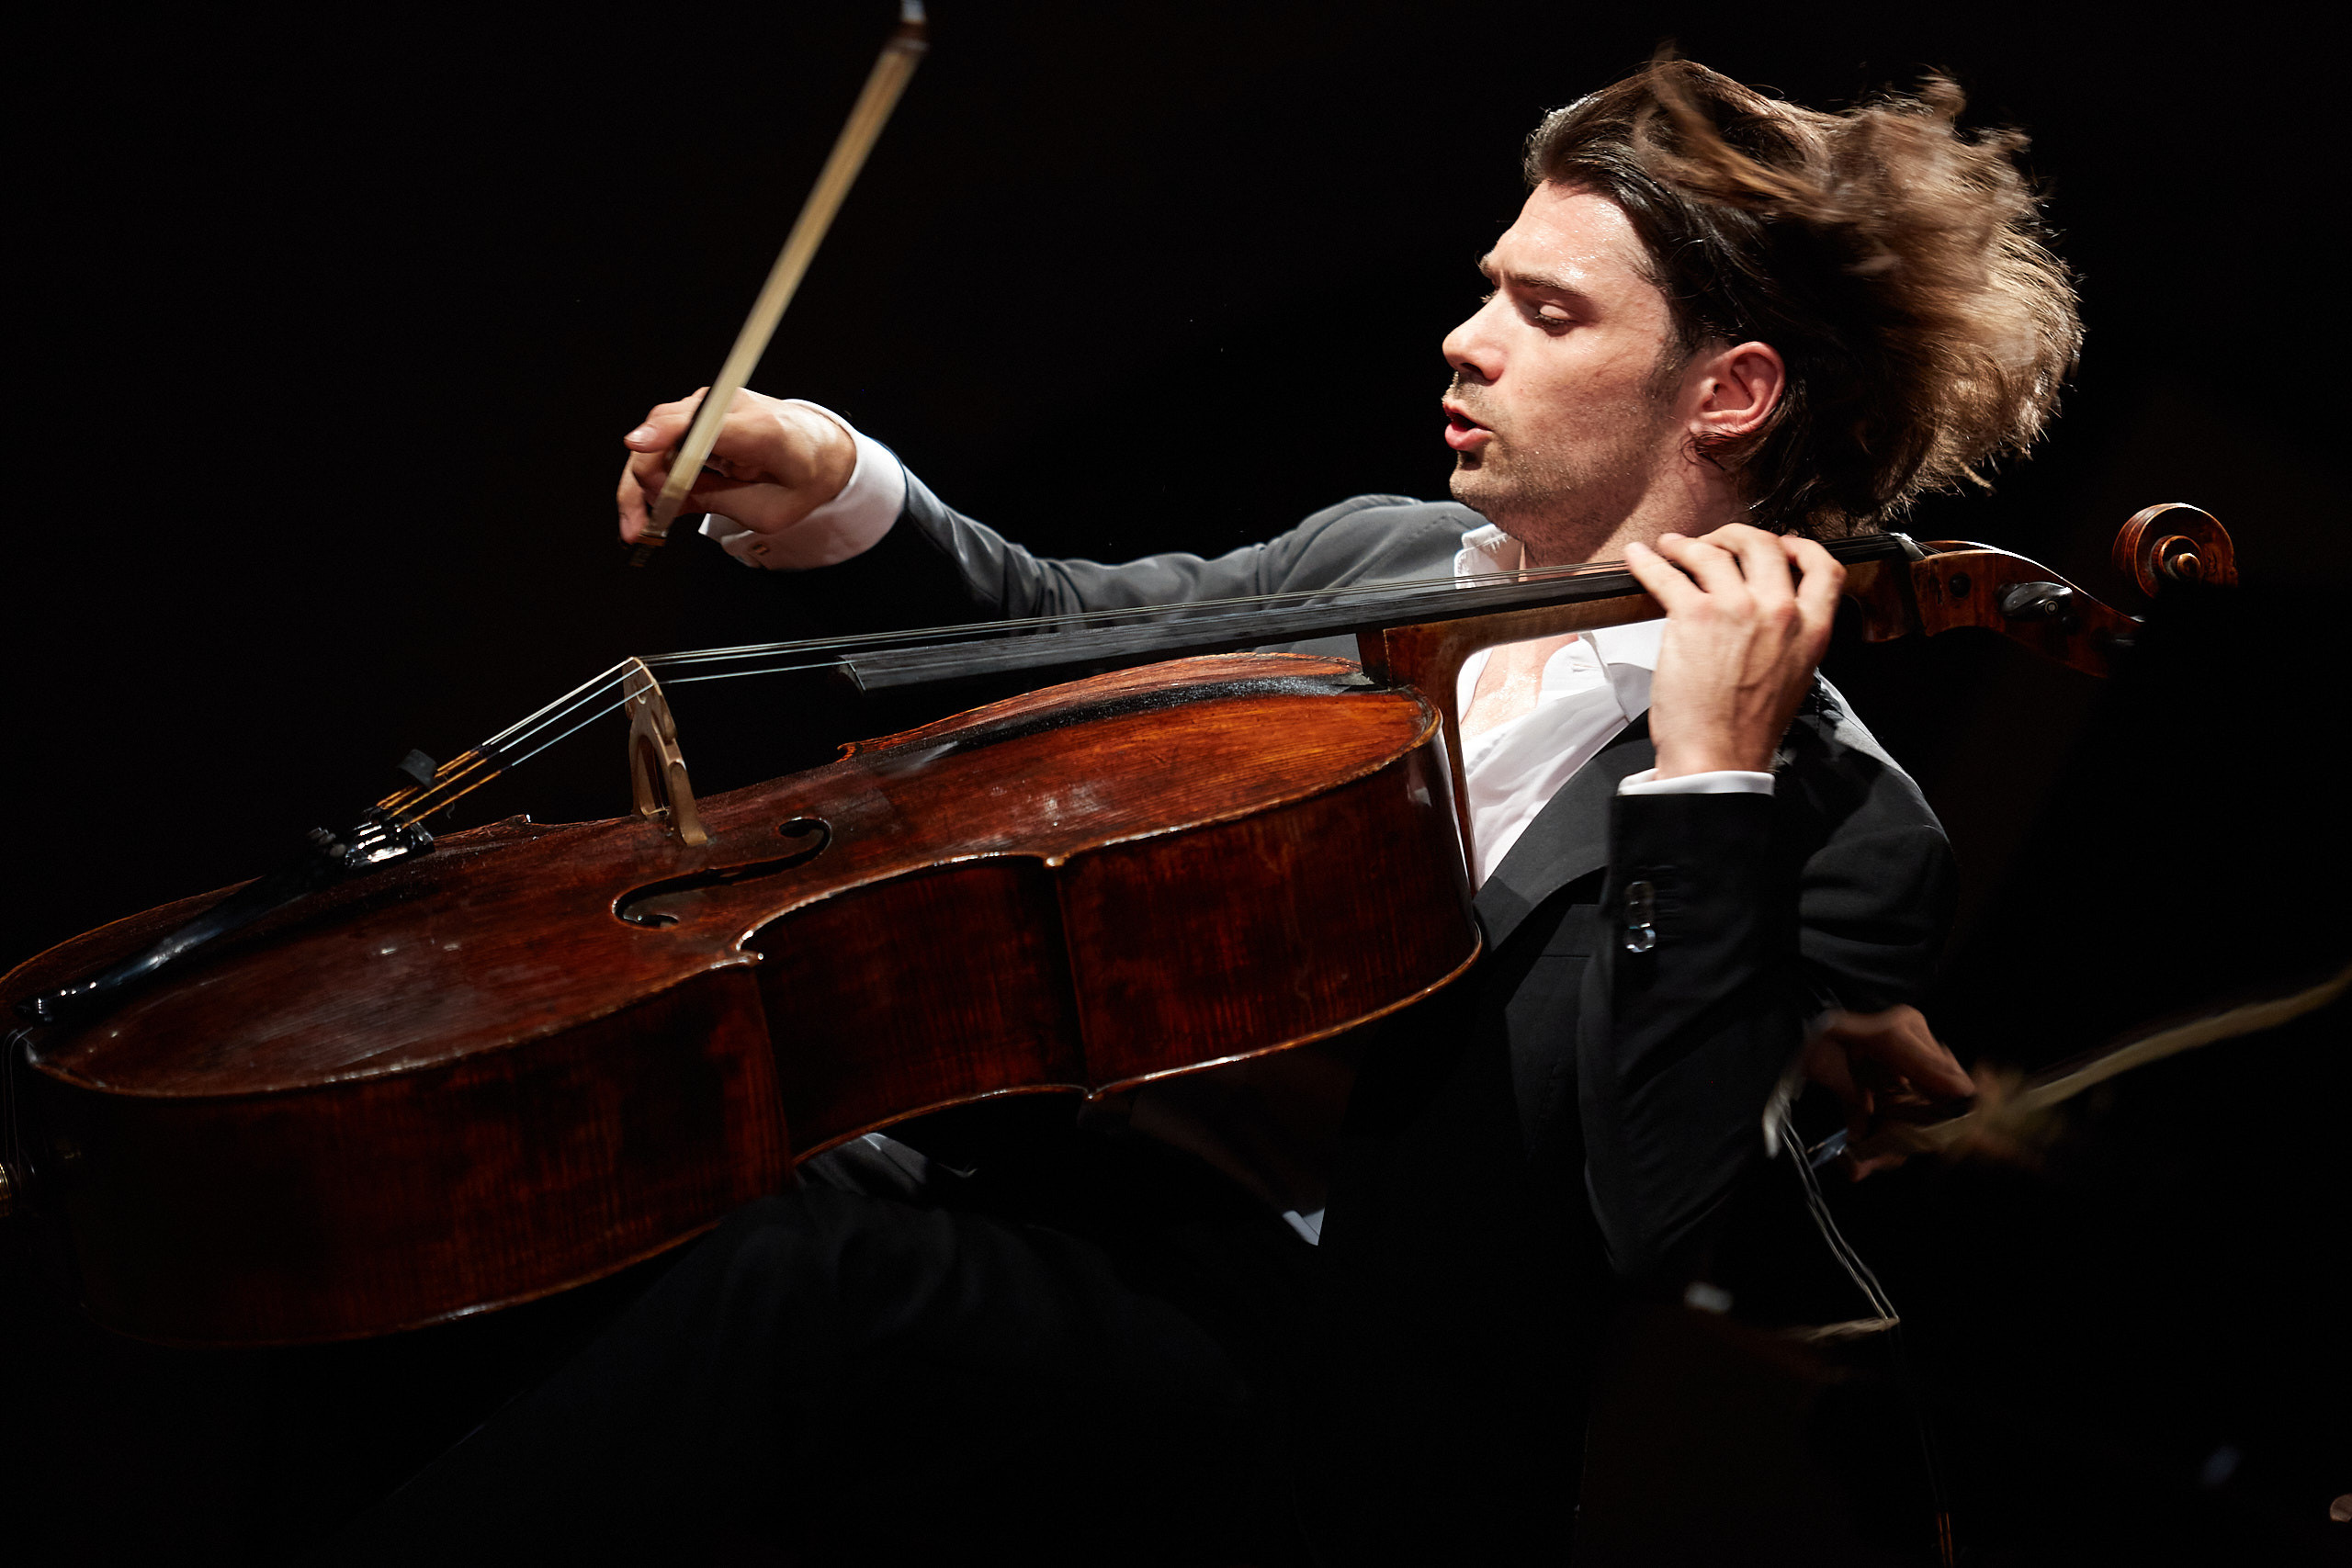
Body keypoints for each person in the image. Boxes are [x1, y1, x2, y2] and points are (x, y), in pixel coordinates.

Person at [346, 60, 2073, 1563]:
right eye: (1489, 289)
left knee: (809, 1289)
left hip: (1305, 1367)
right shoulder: (1382, 556)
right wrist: (843, 486)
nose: (1466, 340)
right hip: (1062, 1200)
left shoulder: (1835, 817)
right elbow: (1062, 624)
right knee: (603, 1215)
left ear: (1729, 392)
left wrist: (1708, 781)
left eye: (1548, 315)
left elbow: (1650, 1200)